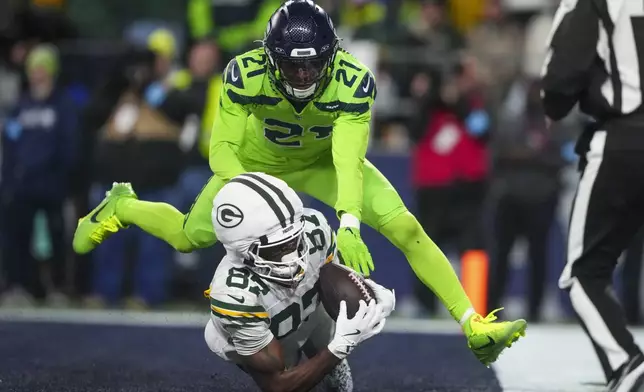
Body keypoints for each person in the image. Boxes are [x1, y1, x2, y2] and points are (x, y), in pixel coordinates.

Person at [73, 0, 525, 365]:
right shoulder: (244, 74)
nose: (304, 76)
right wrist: (254, 188)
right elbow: (221, 151)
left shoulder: (351, 81)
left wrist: (348, 222)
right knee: (188, 236)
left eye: (313, 66)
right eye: (292, 66)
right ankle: (121, 205)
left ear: (331, 57)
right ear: (271, 59)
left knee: (405, 227)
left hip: (324, 164)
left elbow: (349, 160)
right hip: (255, 165)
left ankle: (473, 323)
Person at [203, 172, 393, 392]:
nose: (293, 258)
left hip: (306, 305)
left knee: (327, 345)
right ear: (243, 252)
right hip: (262, 326)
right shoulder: (234, 294)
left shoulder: (315, 229)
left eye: (295, 240)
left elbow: (331, 279)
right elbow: (278, 386)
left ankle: (326, 356)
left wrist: (369, 293)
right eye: (277, 249)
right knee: (285, 370)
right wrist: (338, 348)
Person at [541, 0, 644, 390]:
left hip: (624, 140)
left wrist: (555, 103)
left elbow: (562, 73)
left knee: (585, 272)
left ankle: (626, 362)